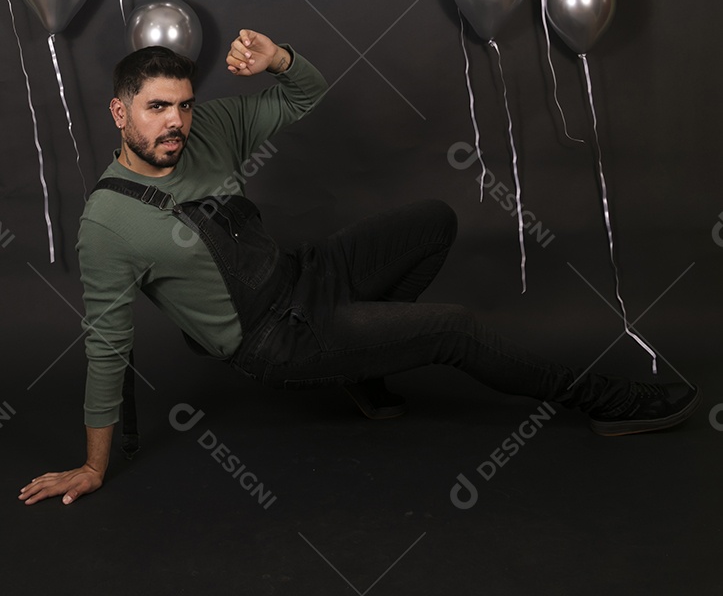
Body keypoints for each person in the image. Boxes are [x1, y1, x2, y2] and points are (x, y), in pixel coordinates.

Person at [19, 29, 700, 507]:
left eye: (183, 105)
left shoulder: (210, 129)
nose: (176, 122)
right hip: (274, 339)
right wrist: (92, 466)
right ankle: (606, 402)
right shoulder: (108, 222)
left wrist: (279, 58)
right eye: (157, 108)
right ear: (120, 112)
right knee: (454, 328)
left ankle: (363, 367)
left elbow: (304, 95)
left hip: (306, 277)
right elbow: (107, 348)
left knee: (434, 220)